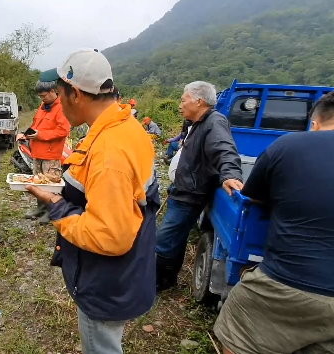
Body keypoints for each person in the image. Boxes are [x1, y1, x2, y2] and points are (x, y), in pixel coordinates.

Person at [29, 49, 159, 354]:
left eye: (59, 94)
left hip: (106, 281)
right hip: (125, 273)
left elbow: (110, 236)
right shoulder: (125, 127)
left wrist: (55, 205)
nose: (58, 102)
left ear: (75, 93)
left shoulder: (110, 151)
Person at [213, 92, 334, 354]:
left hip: (289, 282)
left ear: (315, 123)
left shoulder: (289, 146)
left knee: (237, 335)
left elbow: (253, 197)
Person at [155, 81, 243, 292]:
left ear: (198, 101)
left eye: (184, 99)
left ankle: (154, 282)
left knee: (163, 240)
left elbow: (225, 149)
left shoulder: (215, 122)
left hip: (190, 195)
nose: (180, 104)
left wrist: (230, 174)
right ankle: (167, 281)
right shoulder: (197, 123)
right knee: (175, 239)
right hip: (183, 191)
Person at [16, 80, 71, 224]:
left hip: (51, 155)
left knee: (51, 185)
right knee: (37, 183)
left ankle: (51, 211)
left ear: (53, 91)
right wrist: (26, 134)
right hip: (37, 153)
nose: (42, 99)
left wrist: (40, 134)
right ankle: (40, 208)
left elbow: (63, 130)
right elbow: (36, 125)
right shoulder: (43, 106)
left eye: (44, 96)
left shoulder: (62, 108)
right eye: (40, 97)